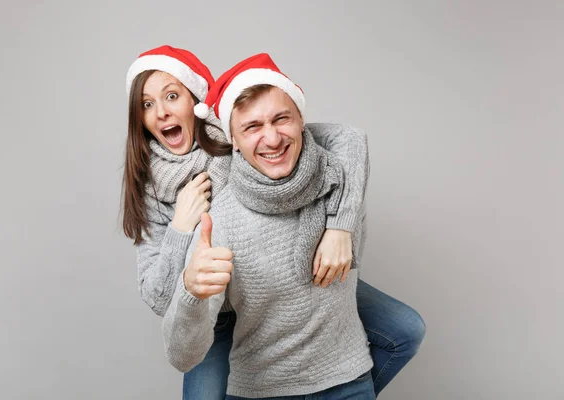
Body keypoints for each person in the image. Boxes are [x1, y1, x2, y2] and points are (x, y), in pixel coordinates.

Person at [122, 45, 425, 399]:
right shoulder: (149, 187)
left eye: (172, 95)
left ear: (197, 102)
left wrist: (340, 226)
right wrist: (180, 228)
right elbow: (159, 299)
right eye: (146, 104)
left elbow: (347, 140)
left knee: (405, 330)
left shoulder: (237, 134)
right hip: (214, 303)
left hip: (278, 283)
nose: (161, 112)